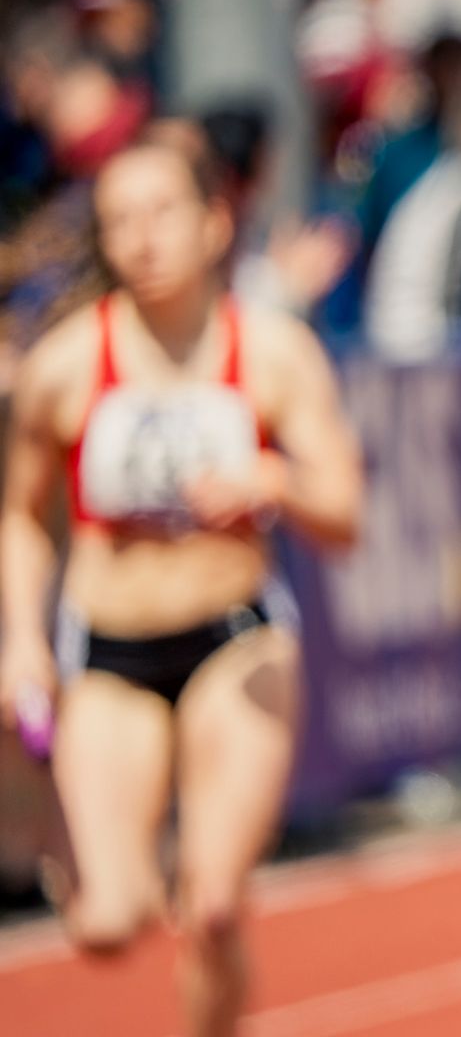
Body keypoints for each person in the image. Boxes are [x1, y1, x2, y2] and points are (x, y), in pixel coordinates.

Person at [0, 139, 362, 1036]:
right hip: (112, 653)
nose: (142, 240)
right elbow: (18, 514)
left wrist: (271, 483)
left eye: (162, 213)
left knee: (212, 904)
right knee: (108, 924)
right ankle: (65, 811)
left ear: (213, 222)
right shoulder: (66, 366)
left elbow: (345, 513)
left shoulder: (273, 353)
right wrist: (23, 641)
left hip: (235, 642)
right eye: (119, 221)